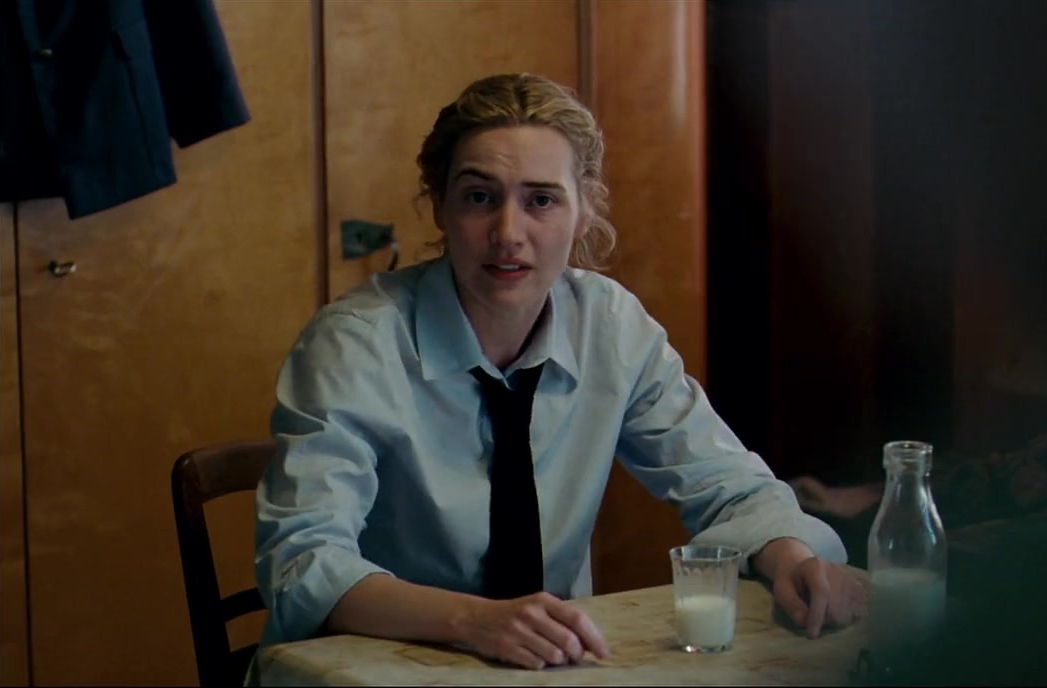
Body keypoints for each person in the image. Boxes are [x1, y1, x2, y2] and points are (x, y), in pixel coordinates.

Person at [254, 73, 863, 671]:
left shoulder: (609, 325)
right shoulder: (356, 343)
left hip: (548, 668)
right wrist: (474, 621)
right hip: (375, 670)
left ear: (584, 212)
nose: (508, 234)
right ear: (438, 205)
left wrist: (790, 556)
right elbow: (303, 563)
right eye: (479, 197)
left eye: (541, 200)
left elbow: (728, 486)